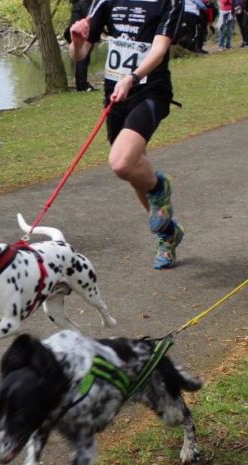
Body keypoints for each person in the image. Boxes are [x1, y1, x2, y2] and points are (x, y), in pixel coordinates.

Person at [69, 0, 187, 269]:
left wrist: (133, 77)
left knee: (121, 163)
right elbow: (80, 54)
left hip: (150, 90)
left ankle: (159, 187)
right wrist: (77, 41)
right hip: (116, 95)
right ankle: (168, 235)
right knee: (134, 172)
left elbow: (159, 48)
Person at [69, 0, 95, 90]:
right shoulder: (86, 4)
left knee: (84, 59)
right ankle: (81, 84)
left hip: (77, 31)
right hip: (81, 33)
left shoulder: (78, 4)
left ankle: (82, 83)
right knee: (83, 59)